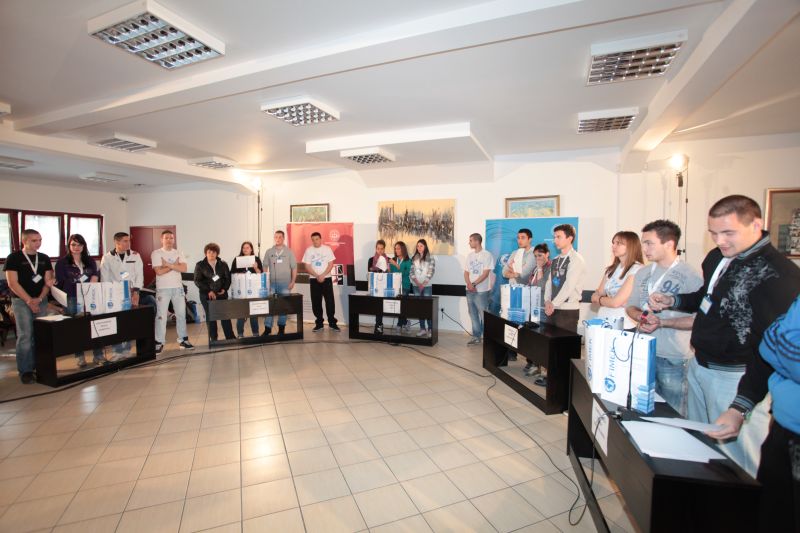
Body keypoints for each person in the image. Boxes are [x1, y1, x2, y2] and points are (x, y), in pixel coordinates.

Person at [649, 195, 800, 475]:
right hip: (700, 365)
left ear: (756, 225)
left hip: (736, 378)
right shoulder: (717, 256)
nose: (720, 241)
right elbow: (707, 298)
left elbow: (770, 348)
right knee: (701, 449)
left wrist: (741, 405)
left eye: (728, 233)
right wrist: (674, 301)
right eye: (713, 233)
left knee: (739, 464)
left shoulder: (779, 275)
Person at [625, 221, 702, 417]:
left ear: (669, 244)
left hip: (673, 357)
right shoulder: (643, 273)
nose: (644, 249)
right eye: (643, 243)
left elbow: (699, 320)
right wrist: (642, 317)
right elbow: (631, 306)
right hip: (644, 352)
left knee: (673, 415)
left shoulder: (690, 276)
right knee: (643, 411)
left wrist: (663, 323)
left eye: (649, 243)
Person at [755, 295, 799, 533]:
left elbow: (785, 348)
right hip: (783, 426)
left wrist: (784, 341)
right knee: (771, 515)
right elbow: (768, 343)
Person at [3, 229, 53, 383]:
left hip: (40, 300)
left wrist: (39, 298)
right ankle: (26, 371)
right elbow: (12, 283)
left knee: (40, 334)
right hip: (21, 302)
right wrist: (29, 301)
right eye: (34, 240)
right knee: (25, 335)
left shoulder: (44, 258)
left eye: (40, 240)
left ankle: (41, 366)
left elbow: (48, 281)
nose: (38, 243)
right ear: (24, 241)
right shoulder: (14, 258)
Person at [54, 234, 106, 368]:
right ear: (69, 246)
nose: (76, 247)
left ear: (83, 246)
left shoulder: (90, 260)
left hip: (90, 297)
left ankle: (98, 355)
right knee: (75, 329)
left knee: (94, 326)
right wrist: (77, 283)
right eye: (73, 245)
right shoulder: (62, 263)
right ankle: (80, 357)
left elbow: (95, 274)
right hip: (71, 298)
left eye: (79, 245)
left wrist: (92, 281)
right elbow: (61, 281)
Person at [100, 231, 147, 360]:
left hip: (131, 293)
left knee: (129, 322)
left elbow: (139, 274)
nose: (128, 243)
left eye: (129, 241)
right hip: (114, 294)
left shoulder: (135, 255)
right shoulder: (107, 257)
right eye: (125, 241)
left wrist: (136, 292)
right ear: (117, 242)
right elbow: (104, 278)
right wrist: (108, 295)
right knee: (117, 322)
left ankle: (127, 350)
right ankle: (117, 351)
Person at [151, 229, 194, 354]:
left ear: (174, 240)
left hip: (178, 288)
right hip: (163, 289)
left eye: (171, 238)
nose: (169, 240)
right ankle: (159, 342)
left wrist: (167, 265)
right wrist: (175, 266)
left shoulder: (178, 252)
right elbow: (159, 271)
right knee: (161, 316)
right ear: (161, 239)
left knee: (181, 315)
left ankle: (183, 340)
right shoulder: (156, 253)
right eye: (166, 238)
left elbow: (184, 268)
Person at [592, 231, 643, 329]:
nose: (613, 246)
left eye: (618, 243)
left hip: (625, 325)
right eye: (613, 243)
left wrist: (599, 299)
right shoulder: (611, 269)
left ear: (631, 246)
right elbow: (598, 293)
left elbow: (615, 303)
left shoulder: (637, 269)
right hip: (604, 321)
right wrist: (605, 299)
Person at [544, 223, 586, 332]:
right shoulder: (555, 259)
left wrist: (553, 304)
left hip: (568, 310)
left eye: (559, 237)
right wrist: (547, 301)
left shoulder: (576, 259)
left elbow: (569, 285)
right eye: (554, 237)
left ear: (569, 238)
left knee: (564, 343)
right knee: (550, 341)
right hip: (552, 308)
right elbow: (549, 282)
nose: (555, 240)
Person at [194, 243, 235, 342]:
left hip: (221, 294)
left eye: (213, 252)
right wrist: (209, 291)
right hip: (206, 295)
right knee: (211, 316)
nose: (211, 254)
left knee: (225, 315)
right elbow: (197, 281)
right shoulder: (200, 265)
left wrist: (224, 289)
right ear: (205, 253)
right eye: (209, 252)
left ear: (217, 253)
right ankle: (213, 339)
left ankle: (230, 337)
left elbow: (228, 278)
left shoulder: (223, 264)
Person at [302, 232, 339, 332]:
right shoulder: (309, 250)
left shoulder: (327, 249)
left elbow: (331, 264)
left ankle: (332, 323)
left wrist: (323, 275)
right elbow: (307, 266)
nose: (315, 241)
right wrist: (317, 275)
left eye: (317, 239)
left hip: (326, 279)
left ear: (320, 239)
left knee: (330, 302)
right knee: (316, 302)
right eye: (313, 240)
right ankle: (319, 324)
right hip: (314, 279)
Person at [262, 230, 298, 336]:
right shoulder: (269, 251)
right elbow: (265, 266)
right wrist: (265, 281)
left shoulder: (289, 252)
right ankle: (267, 328)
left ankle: (281, 329)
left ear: (283, 238)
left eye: (280, 237)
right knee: (270, 305)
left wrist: (293, 281)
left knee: (283, 306)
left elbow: (294, 268)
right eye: (276, 237)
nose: (277, 239)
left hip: (285, 284)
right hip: (271, 284)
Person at [523, 243, 551, 377]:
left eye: (540, 255)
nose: (537, 258)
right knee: (533, 338)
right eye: (535, 256)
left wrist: (539, 269)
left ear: (547, 254)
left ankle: (542, 368)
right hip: (533, 307)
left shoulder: (550, 268)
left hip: (543, 308)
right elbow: (531, 284)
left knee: (542, 340)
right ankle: (534, 364)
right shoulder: (536, 268)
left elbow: (541, 286)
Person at [464, 233, 494, 346]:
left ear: (477, 241)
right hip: (470, 290)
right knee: (473, 314)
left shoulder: (487, 255)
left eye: (471, 240)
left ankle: (488, 338)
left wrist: (474, 284)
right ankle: (476, 336)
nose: (469, 243)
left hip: (481, 291)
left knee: (484, 315)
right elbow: (466, 272)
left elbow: (485, 274)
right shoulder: (470, 256)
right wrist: (469, 284)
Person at [231, 241, 263, 337]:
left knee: (253, 313)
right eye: (243, 248)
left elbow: (260, 274)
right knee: (241, 314)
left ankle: (255, 333)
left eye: (247, 247)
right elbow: (232, 273)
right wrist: (240, 274)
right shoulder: (236, 259)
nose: (245, 249)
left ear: (251, 249)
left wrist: (256, 268)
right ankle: (240, 334)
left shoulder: (256, 259)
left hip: (253, 291)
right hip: (240, 292)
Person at [410, 239, 436, 337]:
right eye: (418, 246)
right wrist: (417, 283)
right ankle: (422, 329)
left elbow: (431, 272)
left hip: (427, 286)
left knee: (427, 308)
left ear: (425, 246)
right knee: (420, 308)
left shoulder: (430, 258)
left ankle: (430, 329)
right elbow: (411, 272)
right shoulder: (414, 258)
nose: (419, 248)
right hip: (416, 286)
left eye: (421, 246)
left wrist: (423, 284)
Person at [368, 239, 390, 334]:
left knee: (383, 306)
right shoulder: (371, 260)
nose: (380, 251)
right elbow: (369, 274)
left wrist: (387, 268)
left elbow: (389, 273)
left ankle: (379, 325)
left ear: (384, 249)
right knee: (377, 307)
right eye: (378, 248)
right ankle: (378, 325)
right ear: (376, 249)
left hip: (384, 287)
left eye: (382, 249)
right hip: (375, 287)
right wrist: (374, 270)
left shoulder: (387, 259)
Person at [389, 241, 412, 333]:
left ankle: (399, 325)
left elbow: (404, 274)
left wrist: (395, 265)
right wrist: (388, 269)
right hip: (395, 287)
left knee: (402, 306)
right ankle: (406, 322)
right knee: (398, 306)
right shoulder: (393, 259)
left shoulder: (408, 261)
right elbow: (391, 273)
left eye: (398, 248)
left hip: (405, 286)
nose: (396, 250)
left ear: (403, 249)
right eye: (395, 248)